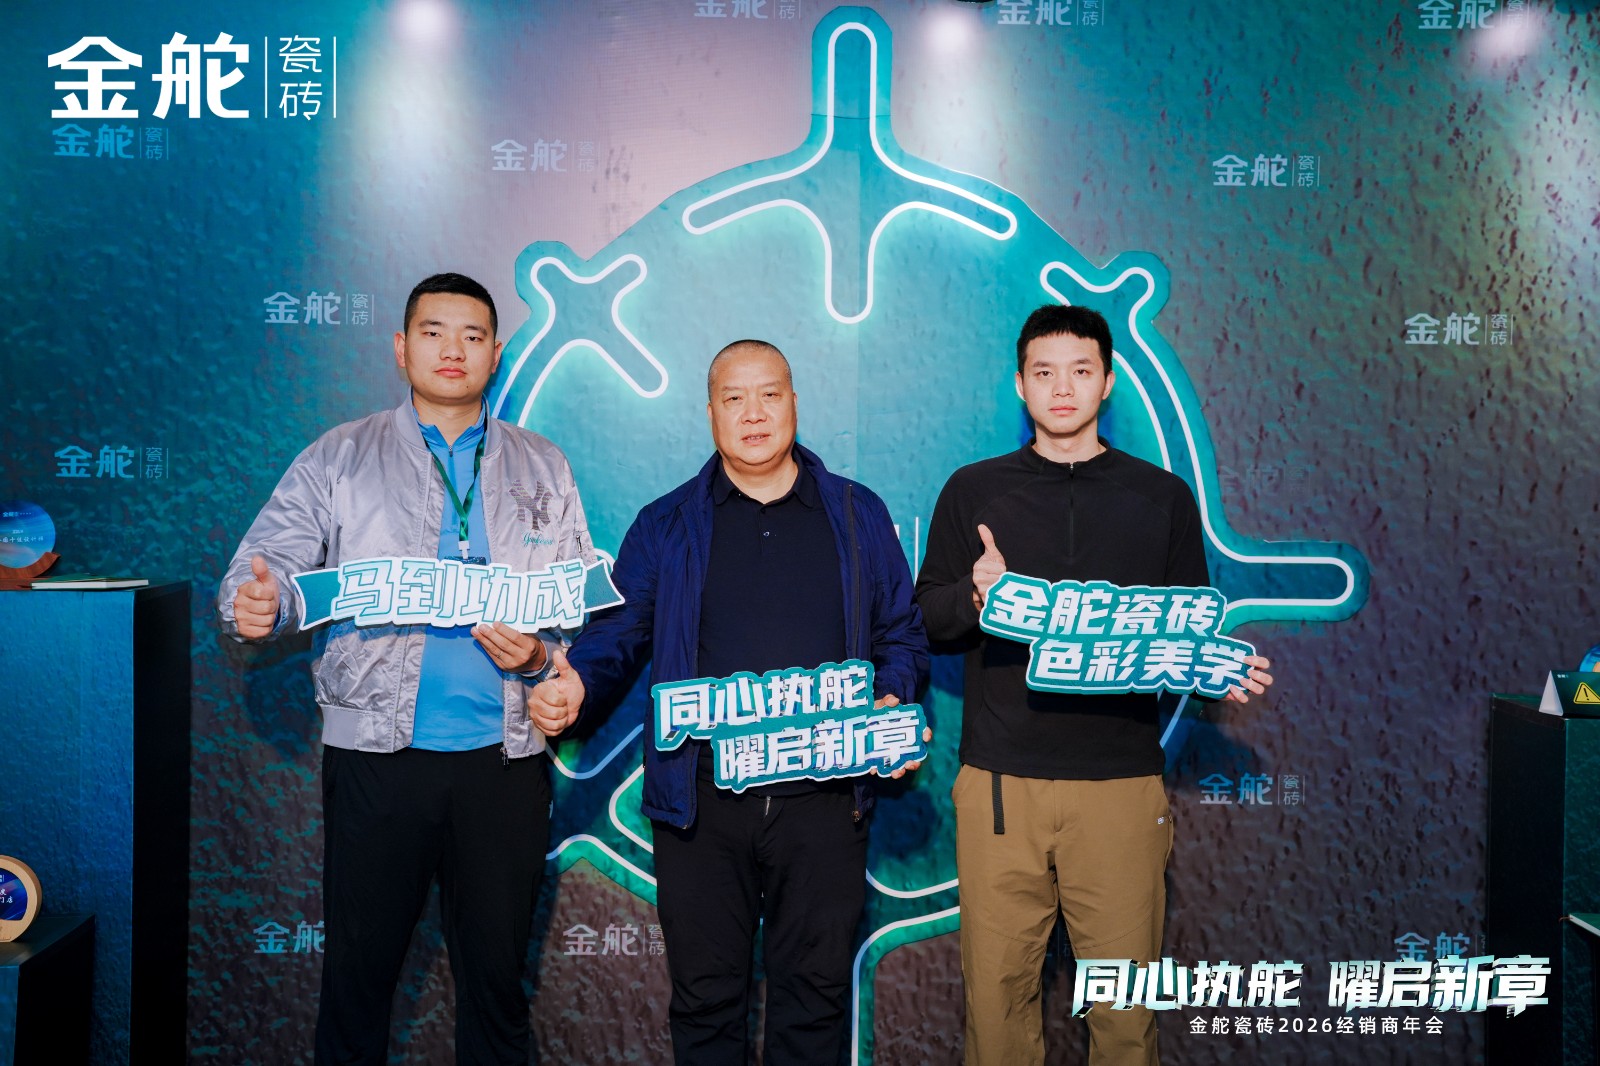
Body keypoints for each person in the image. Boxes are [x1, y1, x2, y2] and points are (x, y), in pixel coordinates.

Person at [217, 272, 594, 1066]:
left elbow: (570, 611)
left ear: (496, 353)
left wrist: (548, 663)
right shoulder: (342, 456)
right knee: (357, 989)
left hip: (505, 764)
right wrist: (258, 605)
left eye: (472, 336)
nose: (453, 350)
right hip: (377, 763)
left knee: (497, 993)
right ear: (400, 347)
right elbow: (268, 566)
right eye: (433, 332)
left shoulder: (543, 464)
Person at [527, 339, 929, 1065]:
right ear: (710, 412)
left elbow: (900, 633)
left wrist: (891, 703)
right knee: (706, 1006)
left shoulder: (855, 512)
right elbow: (621, 628)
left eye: (769, 395)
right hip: (701, 804)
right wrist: (576, 681)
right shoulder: (667, 523)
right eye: (734, 398)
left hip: (826, 798)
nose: (753, 414)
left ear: (795, 403)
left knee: (815, 1004)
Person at [914, 305, 1272, 1066]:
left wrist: (1219, 668)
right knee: (996, 1008)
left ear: (1107, 382)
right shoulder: (973, 491)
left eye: (1080, 371)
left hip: (1119, 786)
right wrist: (978, 595)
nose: (1062, 388)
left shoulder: (1162, 497)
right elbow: (926, 620)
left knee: (1125, 1014)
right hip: (1003, 784)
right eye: (1044, 372)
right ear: (1020, 385)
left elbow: (1185, 629)